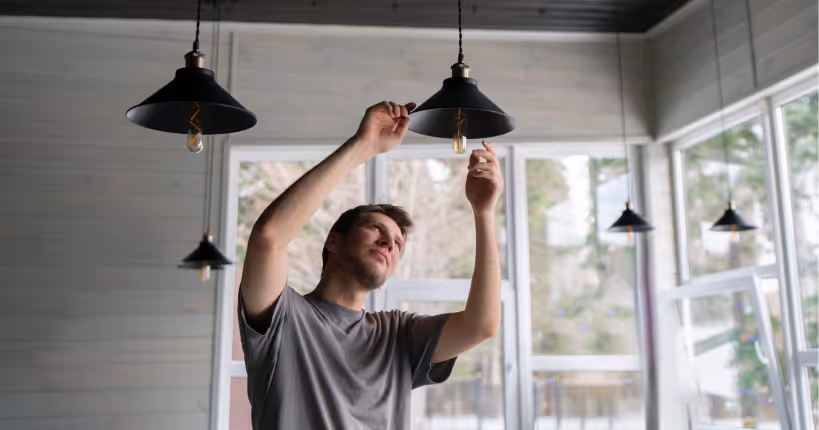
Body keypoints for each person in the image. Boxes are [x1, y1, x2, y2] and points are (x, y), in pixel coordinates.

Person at [238, 101, 503, 429]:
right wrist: (362, 146)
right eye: (376, 229)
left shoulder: (398, 334)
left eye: (397, 244)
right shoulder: (283, 317)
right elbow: (269, 237)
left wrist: (484, 211)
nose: (389, 243)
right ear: (333, 241)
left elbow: (482, 325)